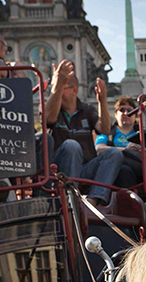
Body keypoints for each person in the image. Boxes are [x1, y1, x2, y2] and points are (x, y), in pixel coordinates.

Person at [44, 60, 121, 206]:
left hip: (85, 169)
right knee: (72, 146)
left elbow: (104, 129)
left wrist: (102, 101)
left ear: (74, 90)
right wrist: (58, 85)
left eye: (63, 87)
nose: (58, 91)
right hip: (60, 169)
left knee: (115, 154)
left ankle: (93, 200)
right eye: (55, 88)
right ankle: (71, 199)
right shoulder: (52, 106)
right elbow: (48, 119)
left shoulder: (86, 109)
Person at [95, 95, 143, 188]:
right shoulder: (107, 131)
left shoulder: (142, 134)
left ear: (135, 116)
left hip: (140, 169)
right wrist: (125, 150)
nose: (125, 113)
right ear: (115, 114)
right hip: (117, 169)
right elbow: (99, 148)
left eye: (129, 111)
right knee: (124, 171)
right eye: (121, 110)